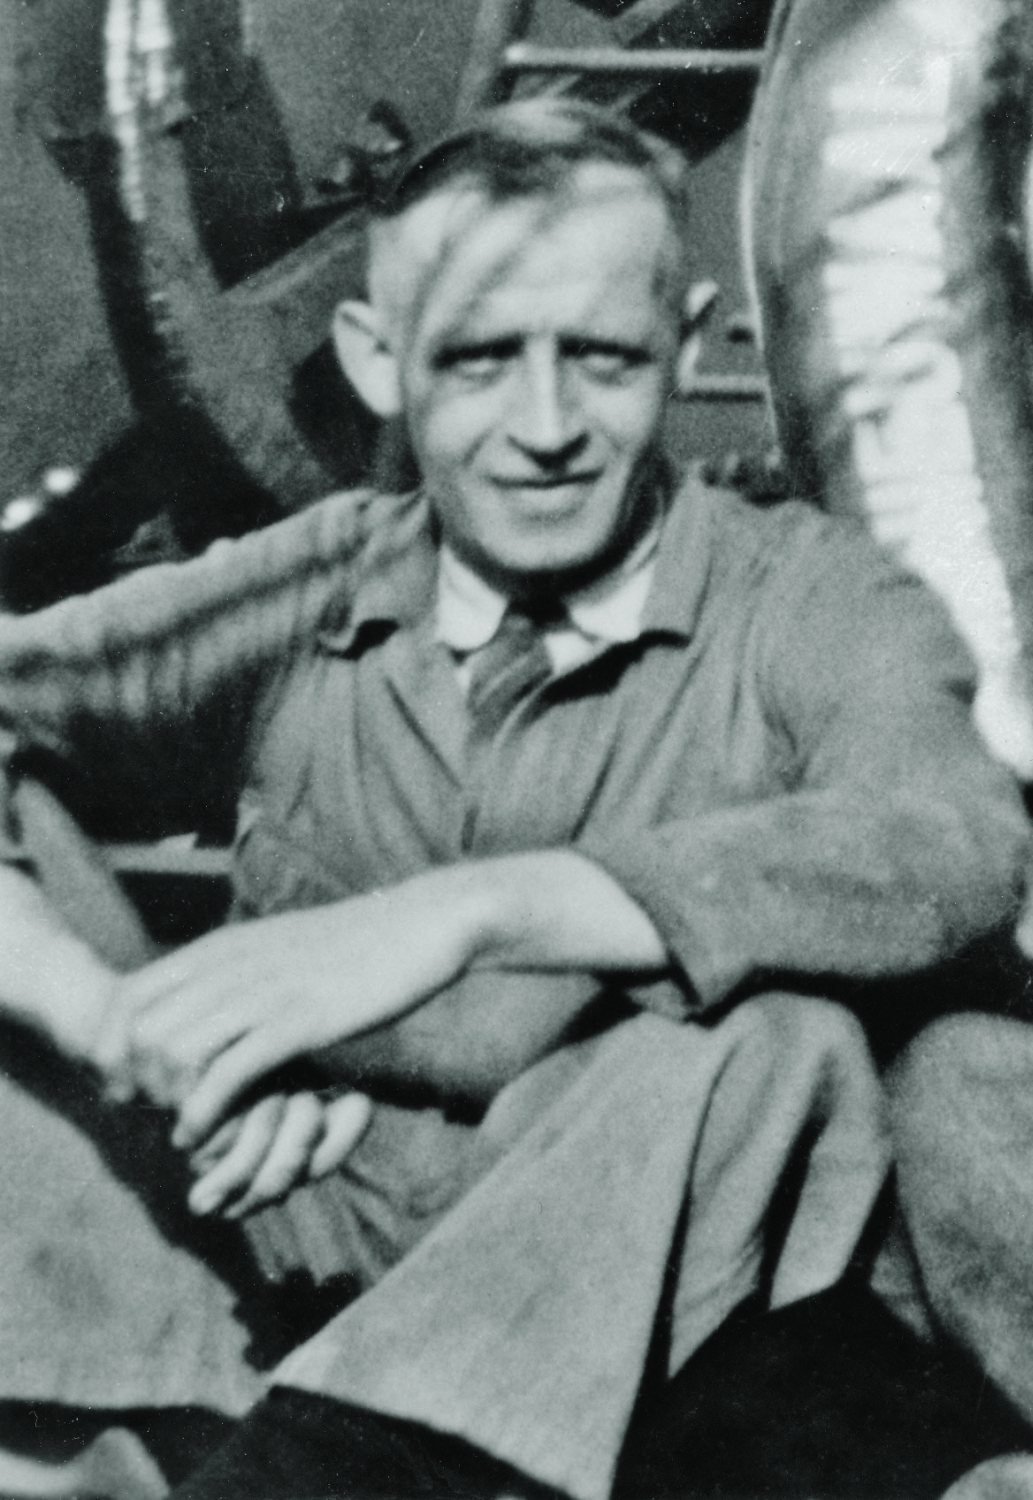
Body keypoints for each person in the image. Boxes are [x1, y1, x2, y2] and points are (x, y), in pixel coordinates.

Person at [0, 99, 1027, 1500]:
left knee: (763, 1046)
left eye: (601, 358)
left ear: (683, 342)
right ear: (376, 359)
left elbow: (951, 842)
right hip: (297, 1244)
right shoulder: (313, 582)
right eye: (478, 361)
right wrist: (127, 1025)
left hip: (651, 1301)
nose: (544, 429)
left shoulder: (808, 596)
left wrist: (473, 913)